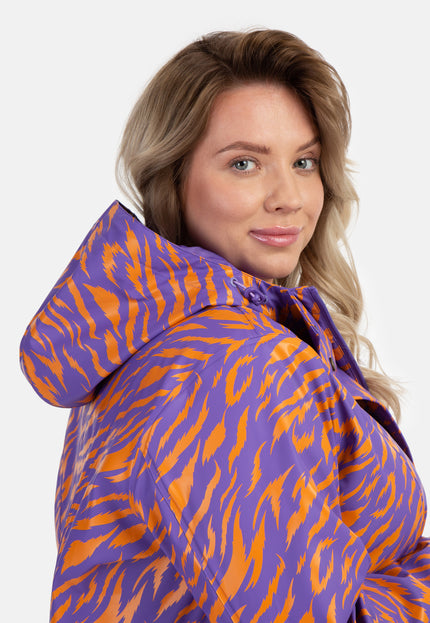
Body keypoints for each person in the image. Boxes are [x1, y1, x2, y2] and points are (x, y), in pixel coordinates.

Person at [20, 29, 430, 623]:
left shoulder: (150, 333)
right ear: (173, 178)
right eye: (245, 163)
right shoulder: (232, 366)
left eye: (304, 162)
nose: (289, 197)